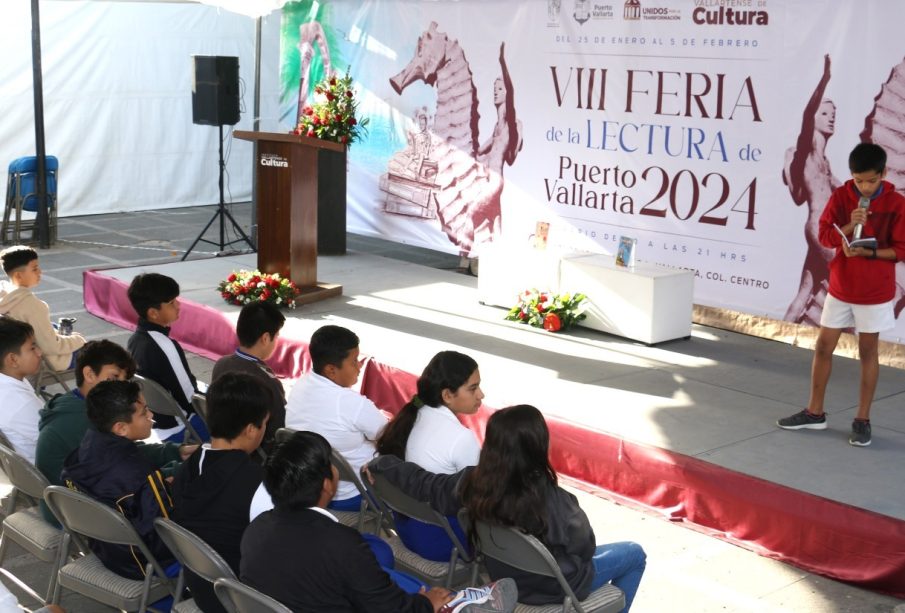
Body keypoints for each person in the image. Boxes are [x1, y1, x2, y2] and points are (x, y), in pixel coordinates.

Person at [368, 405, 647, 611]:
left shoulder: (470, 482)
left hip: (503, 575)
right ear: (538, 446)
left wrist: (382, 464)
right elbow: (584, 549)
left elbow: (424, 484)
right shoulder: (555, 500)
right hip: (555, 587)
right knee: (634, 552)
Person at [240, 430, 517, 613]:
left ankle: (451, 600)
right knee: (413, 593)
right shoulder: (340, 543)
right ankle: (454, 605)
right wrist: (425, 604)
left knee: (385, 571)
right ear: (327, 484)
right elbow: (389, 610)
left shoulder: (256, 529)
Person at [778, 143, 905, 446]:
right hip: (841, 286)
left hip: (874, 291)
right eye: (859, 180)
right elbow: (824, 235)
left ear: (884, 174)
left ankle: (862, 419)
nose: (865, 186)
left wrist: (872, 253)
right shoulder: (841, 196)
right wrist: (850, 225)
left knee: (867, 353)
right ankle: (814, 412)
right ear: (852, 176)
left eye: (871, 180)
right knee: (823, 347)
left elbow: (901, 249)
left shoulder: (897, 203)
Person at [61, 380, 196, 579]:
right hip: (148, 564)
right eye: (144, 413)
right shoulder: (139, 473)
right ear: (121, 428)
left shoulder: (79, 455)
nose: (151, 416)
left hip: (107, 551)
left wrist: (158, 488)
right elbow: (168, 532)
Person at [171, 372, 272, 613]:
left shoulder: (189, 467)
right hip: (243, 600)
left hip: (202, 588)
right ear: (250, 429)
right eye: (264, 424)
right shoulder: (259, 486)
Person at [376, 350, 483, 561]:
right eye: (473, 388)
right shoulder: (461, 438)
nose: (481, 395)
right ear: (447, 395)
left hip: (409, 528)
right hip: (444, 542)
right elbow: (478, 500)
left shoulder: (416, 415)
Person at [284, 325, 387, 510]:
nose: (360, 366)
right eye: (354, 361)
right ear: (331, 370)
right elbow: (388, 437)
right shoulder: (351, 403)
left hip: (308, 485)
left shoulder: (300, 385)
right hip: (352, 492)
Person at [35, 339, 135, 523]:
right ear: (89, 374)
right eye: (114, 377)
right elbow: (129, 465)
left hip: (63, 506)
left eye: (124, 380)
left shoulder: (73, 403)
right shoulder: (85, 422)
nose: (121, 387)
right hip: (74, 517)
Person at [126, 272, 206, 442]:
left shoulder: (134, 340)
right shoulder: (164, 346)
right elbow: (190, 399)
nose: (178, 305)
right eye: (171, 303)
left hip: (158, 423)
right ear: (153, 313)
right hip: (182, 427)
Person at [211, 301, 286, 453]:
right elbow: (280, 428)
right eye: (276, 336)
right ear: (265, 338)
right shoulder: (267, 381)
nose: (276, 340)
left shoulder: (221, 364)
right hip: (257, 453)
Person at [0, 245, 86, 370]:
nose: (40, 272)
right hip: (44, 362)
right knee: (95, 353)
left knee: (55, 327)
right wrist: (79, 339)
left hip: (10, 358)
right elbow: (51, 347)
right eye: (34, 269)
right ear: (18, 275)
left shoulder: (4, 293)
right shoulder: (32, 305)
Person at [0, 317, 43, 462]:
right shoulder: (20, 403)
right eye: (32, 348)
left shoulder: (10, 380)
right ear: (13, 359)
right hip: (49, 474)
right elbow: (60, 440)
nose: (39, 352)